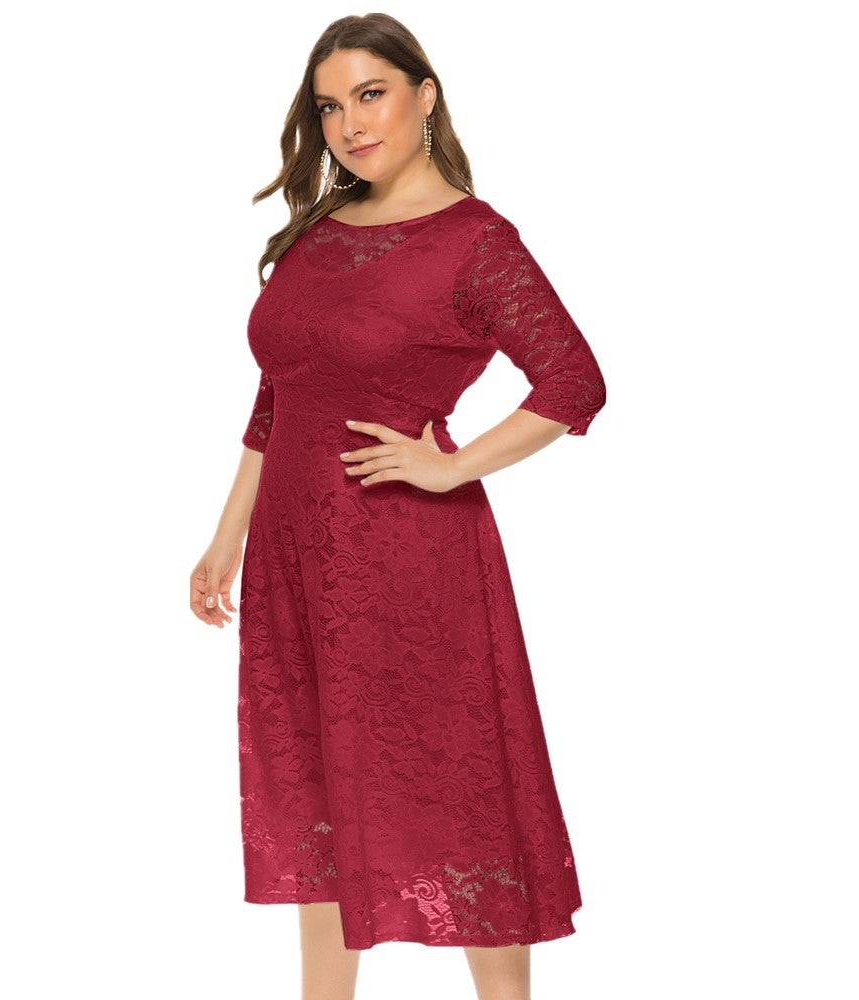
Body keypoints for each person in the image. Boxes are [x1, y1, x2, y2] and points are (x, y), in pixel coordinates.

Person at [190, 13, 606, 1000]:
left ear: (425, 95)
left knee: (459, 795)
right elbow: (280, 394)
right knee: (316, 794)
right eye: (330, 106)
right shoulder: (319, 230)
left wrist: (452, 469)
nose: (349, 124)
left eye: (370, 95)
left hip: (407, 561)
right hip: (293, 559)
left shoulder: (475, 243)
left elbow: (573, 380)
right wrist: (224, 536)